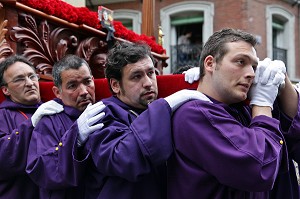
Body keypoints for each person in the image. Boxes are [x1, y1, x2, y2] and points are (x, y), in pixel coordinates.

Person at [168, 28, 300, 198]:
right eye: (240, 62)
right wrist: (262, 104)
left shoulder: (241, 108)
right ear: (210, 64)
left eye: (254, 66)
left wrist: (283, 81)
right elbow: (260, 168)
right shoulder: (193, 115)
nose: (251, 73)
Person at [75, 41, 210, 199]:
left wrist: (205, 80)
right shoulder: (102, 114)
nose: (148, 83)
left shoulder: (154, 106)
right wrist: (167, 105)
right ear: (116, 85)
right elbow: (124, 160)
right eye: (136, 76)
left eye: (151, 73)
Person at [26, 55, 105, 199]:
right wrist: (76, 138)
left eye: (87, 82)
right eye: (72, 86)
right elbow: (43, 169)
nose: (84, 91)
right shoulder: (48, 122)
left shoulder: (106, 111)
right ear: (57, 92)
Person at [0, 55, 63, 199]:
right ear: (6, 90)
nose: (29, 83)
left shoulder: (55, 109)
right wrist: (32, 123)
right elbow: (3, 159)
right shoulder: (3, 116)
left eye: (32, 76)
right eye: (19, 79)